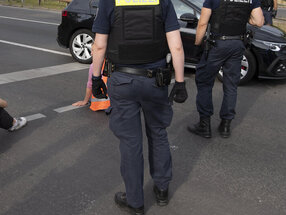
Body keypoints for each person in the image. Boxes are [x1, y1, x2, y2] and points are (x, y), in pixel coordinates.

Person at [91, 0, 187, 213]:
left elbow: (99, 45)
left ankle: (135, 202)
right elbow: (176, 45)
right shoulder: (163, 1)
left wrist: (96, 78)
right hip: (155, 81)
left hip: (123, 81)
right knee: (158, 132)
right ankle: (162, 189)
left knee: (130, 142)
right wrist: (180, 82)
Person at [188, 0, 264, 138]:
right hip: (237, 44)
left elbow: (203, 23)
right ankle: (225, 126)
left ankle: (204, 125)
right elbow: (259, 21)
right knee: (231, 85)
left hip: (217, 44)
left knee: (204, 82)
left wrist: (197, 45)